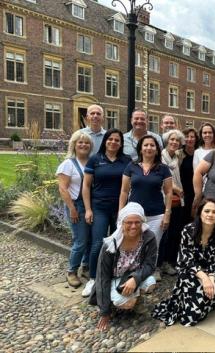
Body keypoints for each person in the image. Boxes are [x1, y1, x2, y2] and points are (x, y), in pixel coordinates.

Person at [152, 199, 215, 326]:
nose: (210, 215)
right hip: (190, 270)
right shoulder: (188, 230)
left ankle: (208, 301)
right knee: (190, 318)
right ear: (200, 213)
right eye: (207, 211)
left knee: (209, 291)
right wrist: (204, 278)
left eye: (214, 212)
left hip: (212, 272)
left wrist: (211, 277)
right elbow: (186, 259)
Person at [82, 128, 132, 297]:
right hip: (99, 207)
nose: (113, 142)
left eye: (117, 140)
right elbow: (86, 186)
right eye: (110, 139)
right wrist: (88, 209)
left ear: (121, 143)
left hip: (120, 209)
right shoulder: (95, 159)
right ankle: (93, 279)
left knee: (118, 243)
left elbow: (129, 186)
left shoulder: (126, 161)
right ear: (105, 141)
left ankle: (113, 276)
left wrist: (124, 211)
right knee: (98, 243)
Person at [92, 202, 158, 331]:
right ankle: (117, 302)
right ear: (122, 223)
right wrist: (105, 312)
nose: (133, 226)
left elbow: (150, 265)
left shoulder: (148, 237)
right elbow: (102, 277)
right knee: (125, 302)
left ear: (142, 222)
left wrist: (135, 278)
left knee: (151, 282)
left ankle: (135, 298)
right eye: (129, 222)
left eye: (137, 222)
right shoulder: (110, 245)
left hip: (133, 275)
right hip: (114, 279)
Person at [119, 135, 173, 281]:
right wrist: (121, 212)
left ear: (157, 150)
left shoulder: (163, 169)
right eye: (146, 145)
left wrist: (167, 213)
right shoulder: (131, 167)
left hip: (157, 215)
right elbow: (124, 191)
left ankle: (152, 269)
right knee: (135, 243)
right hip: (134, 216)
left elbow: (169, 192)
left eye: (152, 145)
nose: (149, 148)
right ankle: (134, 271)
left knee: (153, 244)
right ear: (141, 149)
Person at [56, 130, 93, 288]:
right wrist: (72, 209)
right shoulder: (68, 164)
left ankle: (86, 266)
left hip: (91, 205)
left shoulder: (91, 162)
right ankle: (71, 271)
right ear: (74, 145)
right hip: (76, 205)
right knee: (81, 240)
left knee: (91, 239)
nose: (83, 145)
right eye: (80, 142)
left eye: (86, 143)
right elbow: (63, 189)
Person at [160, 129, 186, 276]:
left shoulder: (177, 157)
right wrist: (176, 188)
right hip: (165, 199)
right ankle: (161, 262)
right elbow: (162, 177)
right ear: (167, 141)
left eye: (177, 140)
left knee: (175, 232)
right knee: (165, 232)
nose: (174, 142)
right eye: (172, 139)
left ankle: (170, 260)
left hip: (177, 199)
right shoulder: (161, 156)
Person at [179, 128, 199, 225]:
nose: (189, 139)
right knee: (182, 220)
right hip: (182, 193)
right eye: (187, 137)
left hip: (196, 193)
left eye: (192, 137)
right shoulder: (178, 154)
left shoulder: (199, 154)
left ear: (196, 139)